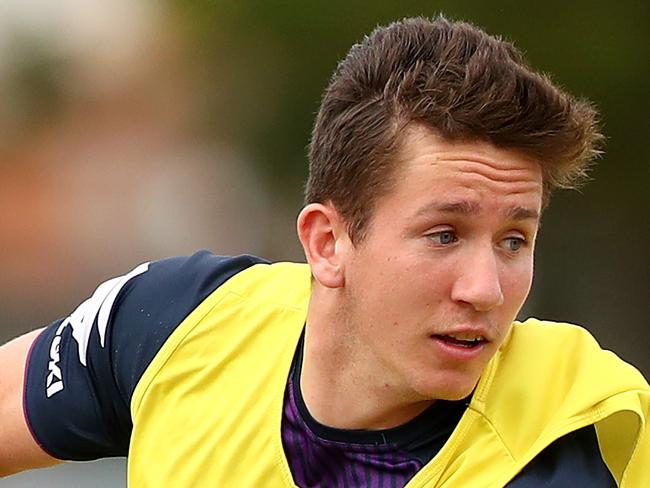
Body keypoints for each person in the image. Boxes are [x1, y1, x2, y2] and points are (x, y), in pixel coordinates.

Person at [0, 16, 647, 487]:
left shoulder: (578, 431)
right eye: (444, 234)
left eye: (515, 240)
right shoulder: (180, 320)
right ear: (327, 243)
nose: (485, 288)